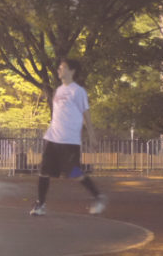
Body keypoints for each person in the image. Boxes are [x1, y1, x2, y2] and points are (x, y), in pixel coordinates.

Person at [30, 58, 107, 216]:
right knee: (44, 171)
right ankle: (40, 204)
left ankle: (98, 197)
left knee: (74, 173)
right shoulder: (58, 90)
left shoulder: (78, 91)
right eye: (59, 67)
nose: (59, 69)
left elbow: (86, 113)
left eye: (63, 67)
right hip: (52, 138)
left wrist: (92, 135)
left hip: (69, 140)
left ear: (72, 71)